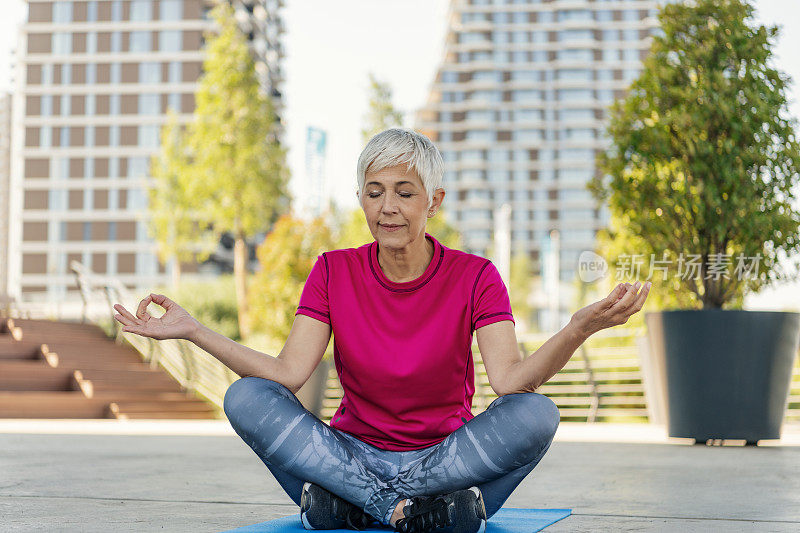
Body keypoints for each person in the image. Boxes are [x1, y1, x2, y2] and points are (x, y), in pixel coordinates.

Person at [113, 128, 650, 533]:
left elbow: (510, 382)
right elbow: (287, 373)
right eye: (374, 192)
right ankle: (415, 515)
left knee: (538, 413)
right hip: (348, 454)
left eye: (404, 192)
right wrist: (195, 330)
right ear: (362, 200)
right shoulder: (332, 269)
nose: (387, 207)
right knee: (247, 397)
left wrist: (579, 326)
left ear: (433, 202)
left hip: (444, 460)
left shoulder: (476, 276)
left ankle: (361, 507)